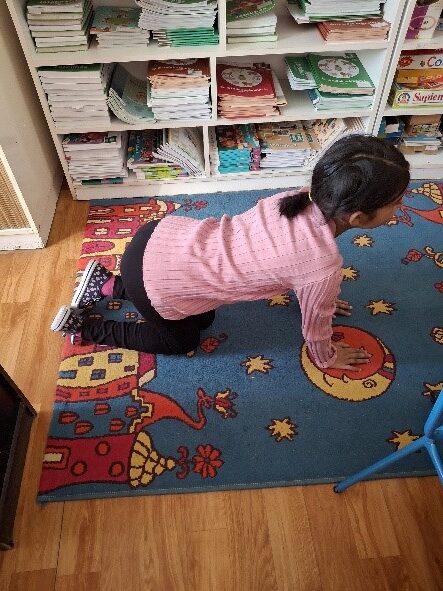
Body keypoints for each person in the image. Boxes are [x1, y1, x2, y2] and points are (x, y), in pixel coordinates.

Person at [51, 135, 410, 371]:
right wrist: (326, 357)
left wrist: (320, 296)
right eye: (396, 202)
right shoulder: (323, 267)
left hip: (158, 237)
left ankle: (108, 286)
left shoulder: (296, 197)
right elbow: (315, 326)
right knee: (183, 340)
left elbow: (292, 264)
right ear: (358, 217)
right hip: (158, 282)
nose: (400, 208)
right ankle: (86, 328)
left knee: (203, 316)